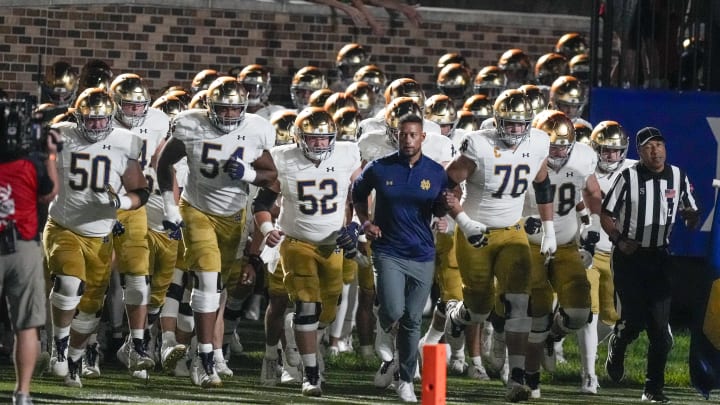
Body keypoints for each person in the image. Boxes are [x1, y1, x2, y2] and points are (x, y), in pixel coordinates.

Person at [156, 76, 277, 388]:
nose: (228, 116)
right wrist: (170, 206)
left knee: (219, 287)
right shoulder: (191, 126)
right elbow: (163, 163)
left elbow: (272, 177)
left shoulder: (253, 129)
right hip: (196, 209)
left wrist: (249, 173)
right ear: (210, 107)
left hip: (234, 217)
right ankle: (205, 358)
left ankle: (200, 350)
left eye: (234, 110)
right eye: (222, 109)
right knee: (208, 280)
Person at [442, 89, 556, 402]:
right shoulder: (478, 143)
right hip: (475, 231)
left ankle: (516, 377)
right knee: (479, 309)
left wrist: (548, 229)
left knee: (520, 301)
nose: (517, 131)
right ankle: (457, 315)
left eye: (522, 124)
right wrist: (463, 221)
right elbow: (445, 185)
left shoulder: (538, 142)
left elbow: (543, 184)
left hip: (512, 230)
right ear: (497, 120)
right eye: (511, 124)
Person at [45, 87, 149, 388]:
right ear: (78, 118)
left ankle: (75, 358)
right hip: (64, 226)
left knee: (90, 308)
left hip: (100, 235)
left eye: (102, 121)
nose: (96, 127)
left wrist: (122, 203)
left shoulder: (124, 142)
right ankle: (59, 347)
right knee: (68, 283)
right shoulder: (60, 134)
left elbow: (140, 189)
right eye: (90, 121)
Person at [253, 107, 361, 396]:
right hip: (296, 243)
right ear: (299, 138)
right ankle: (310, 374)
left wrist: (356, 226)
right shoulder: (282, 158)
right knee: (305, 305)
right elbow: (261, 204)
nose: (319, 144)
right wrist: (266, 230)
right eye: (313, 139)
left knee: (327, 310)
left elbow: (361, 196)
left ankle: (303, 341)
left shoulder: (348, 154)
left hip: (332, 244)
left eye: (324, 139)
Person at [352, 113, 449, 403]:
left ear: (423, 138)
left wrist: (443, 220)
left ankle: (405, 378)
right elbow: (357, 194)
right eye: (403, 134)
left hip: (422, 252)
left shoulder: (435, 171)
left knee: (412, 321)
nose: (407, 140)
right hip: (388, 250)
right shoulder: (379, 167)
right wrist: (365, 222)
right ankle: (388, 341)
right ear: (395, 136)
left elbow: (442, 203)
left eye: (413, 135)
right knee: (393, 311)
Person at [602, 126, 699, 403]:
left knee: (659, 328)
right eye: (648, 146)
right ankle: (618, 343)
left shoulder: (678, 176)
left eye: (659, 144)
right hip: (629, 256)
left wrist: (692, 217)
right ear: (639, 152)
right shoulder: (627, 177)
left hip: (659, 257)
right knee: (633, 320)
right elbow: (606, 214)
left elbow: (689, 212)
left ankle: (653, 388)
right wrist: (620, 240)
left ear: (665, 148)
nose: (655, 150)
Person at [521, 110, 598, 399]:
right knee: (538, 309)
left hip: (566, 244)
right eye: (551, 145)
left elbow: (580, 193)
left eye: (562, 145)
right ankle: (531, 377)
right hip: (532, 243)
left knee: (579, 312)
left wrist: (588, 224)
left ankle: (554, 336)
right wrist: (520, 220)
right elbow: (507, 199)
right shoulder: (525, 158)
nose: (557, 152)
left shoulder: (582, 159)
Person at [1, 103, 57, 405]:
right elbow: (49, 193)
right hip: (24, 246)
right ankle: (22, 392)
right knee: (27, 326)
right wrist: (50, 154)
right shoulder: (31, 163)